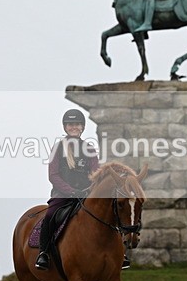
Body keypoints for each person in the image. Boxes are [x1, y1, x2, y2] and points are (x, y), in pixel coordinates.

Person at [35, 109, 123, 270]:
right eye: (70, 124)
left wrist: (89, 190)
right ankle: (44, 253)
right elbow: (53, 176)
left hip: (86, 195)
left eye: (77, 124)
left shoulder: (89, 149)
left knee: (112, 213)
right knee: (49, 216)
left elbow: (96, 174)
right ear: (65, 127)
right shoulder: (58, 148)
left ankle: (120, 253)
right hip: (62, 196)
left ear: (82, 127)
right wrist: (71, 191)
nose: (74, 127)